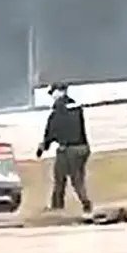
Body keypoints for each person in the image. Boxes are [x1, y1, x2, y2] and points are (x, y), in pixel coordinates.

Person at [36, 82, 93, 215]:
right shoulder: (76, 108)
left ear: (60, 92)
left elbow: (51, 132)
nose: (52, 96)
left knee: (62, 179)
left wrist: (42, 148)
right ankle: (82, 204)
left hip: (68, 149)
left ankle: (60, 208)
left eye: (53, 93)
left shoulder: (58, 111)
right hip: (82, 147)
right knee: (76, 179)